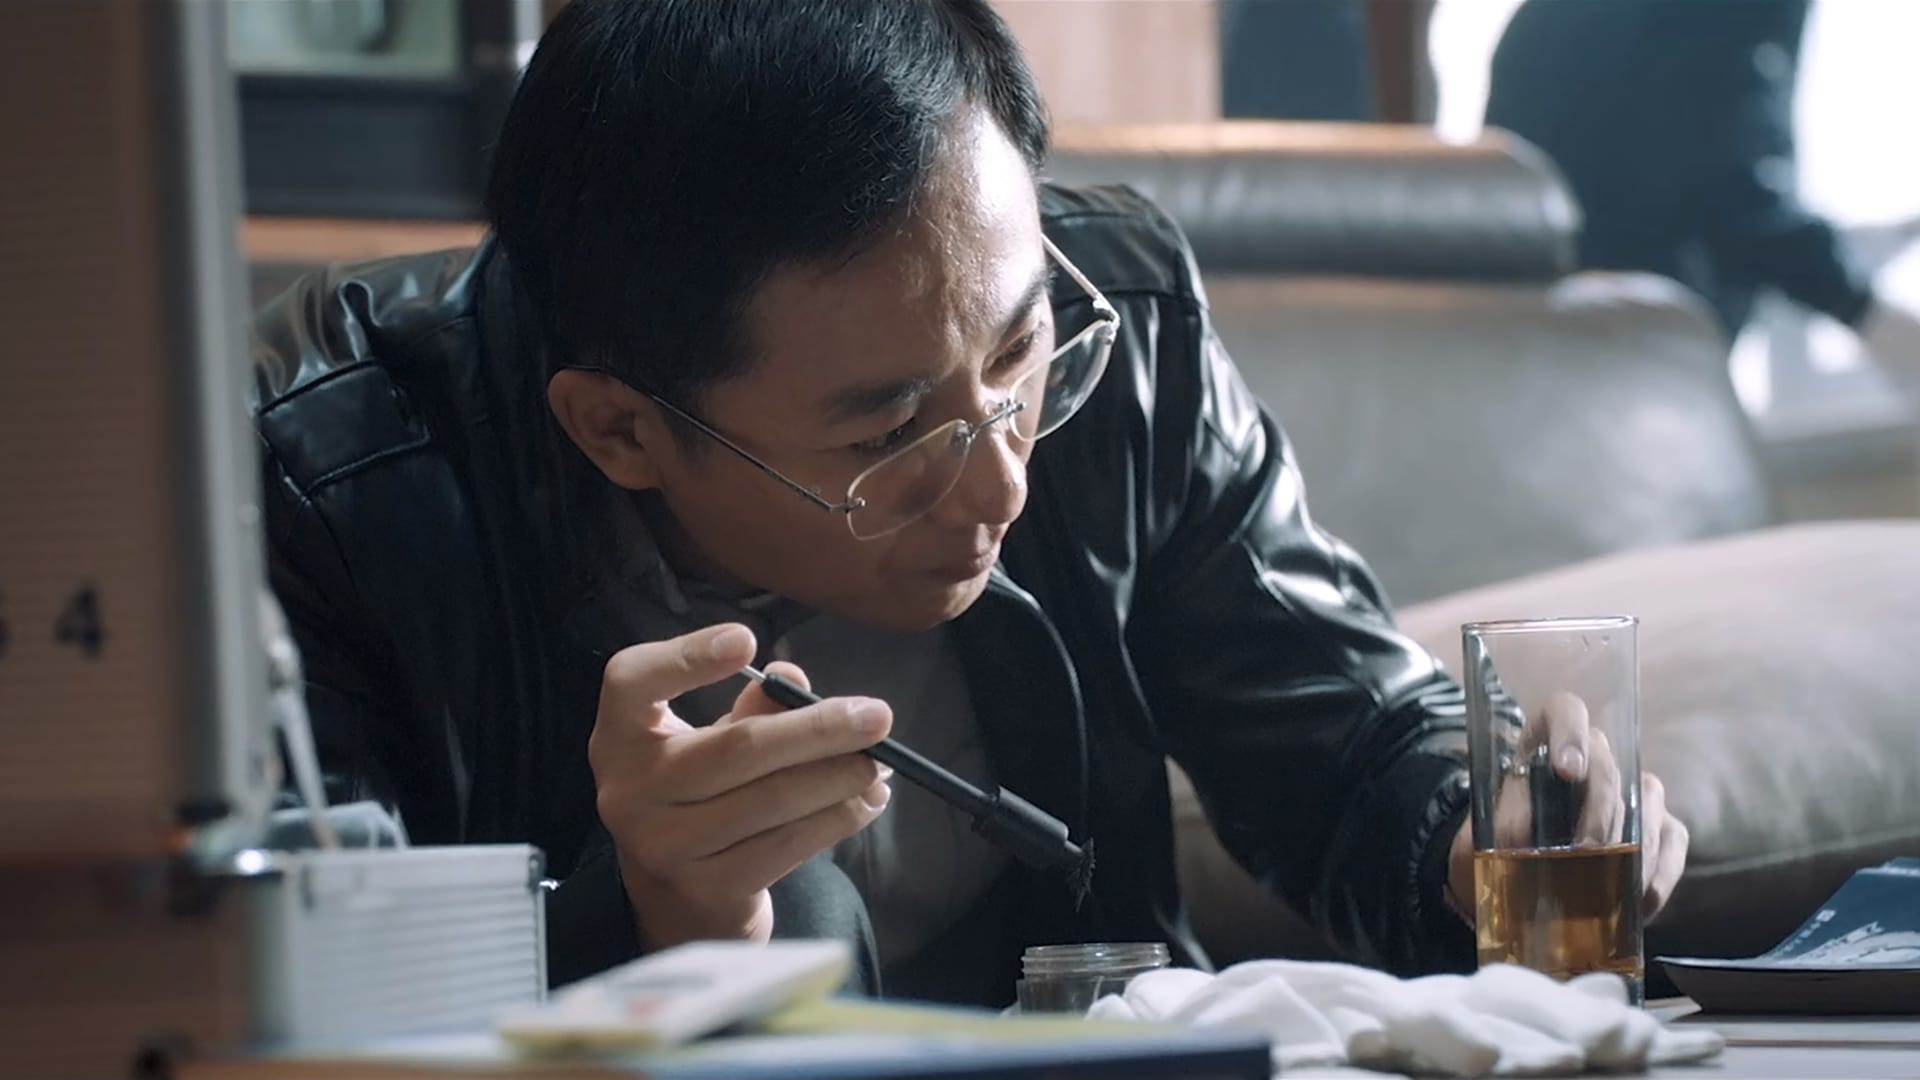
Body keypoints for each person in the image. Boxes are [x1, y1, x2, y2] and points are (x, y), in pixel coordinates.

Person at [251, 0, 1687, 1006]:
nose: (1002, 474)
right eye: (889, 433)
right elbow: (306, 1012)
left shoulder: (1123, 320)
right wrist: (654, 920)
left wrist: (1482, 830)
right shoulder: (335, 493)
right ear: (620, 429)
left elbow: (1346, 736)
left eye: (1017, 354)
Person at [1485, 0, 1920, 366]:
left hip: (1532, 343)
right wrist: (1861, 308)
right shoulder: (1716, 14)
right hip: (1643, 348)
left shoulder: (1556, 13)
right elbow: (1730, 186)